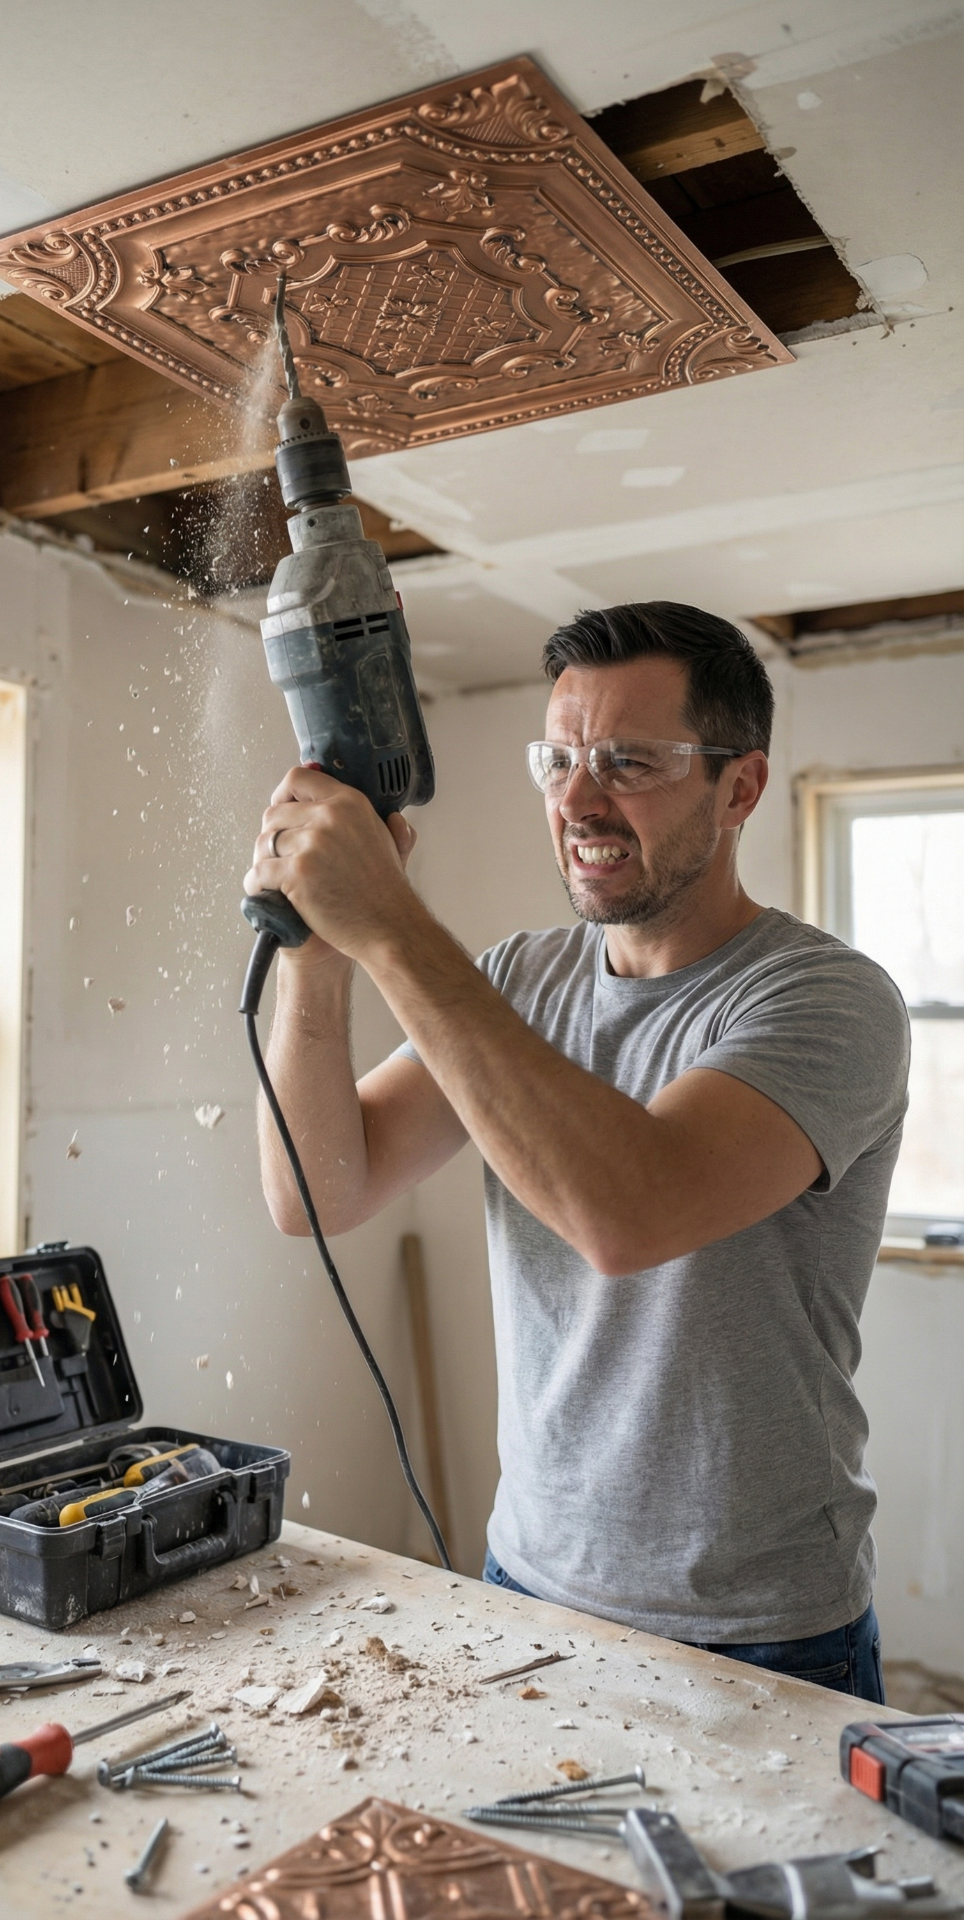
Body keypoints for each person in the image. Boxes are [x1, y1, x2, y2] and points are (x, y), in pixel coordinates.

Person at [245, 601, 909, 1700]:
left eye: (629, 764)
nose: (578, 802)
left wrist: (394, 925)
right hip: (529, 1586)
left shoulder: (827, 1000)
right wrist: (319, 949)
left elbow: (628, 1215)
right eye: (557, 760)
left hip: (759, 1630)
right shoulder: (517, 982)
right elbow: (318, 1191)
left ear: (739, 787)